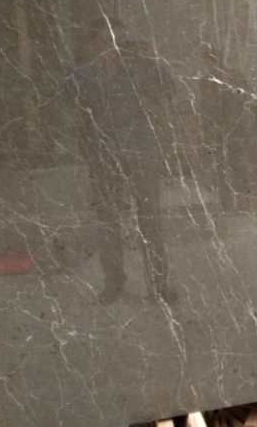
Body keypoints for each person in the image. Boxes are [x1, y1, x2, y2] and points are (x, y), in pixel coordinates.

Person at [71, 16, 178, 304]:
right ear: (94, 45)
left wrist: (151, 57)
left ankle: (159, 285)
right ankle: (113, 283)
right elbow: (75, 114)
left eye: (121, 42)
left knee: (150, 220)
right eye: (108, 42)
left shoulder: (142, 69)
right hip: (104, 157)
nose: (115, 48)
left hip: (141, 154)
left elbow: (171, 89)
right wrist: (88, 153)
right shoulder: (83, 76)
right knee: (108, 221)